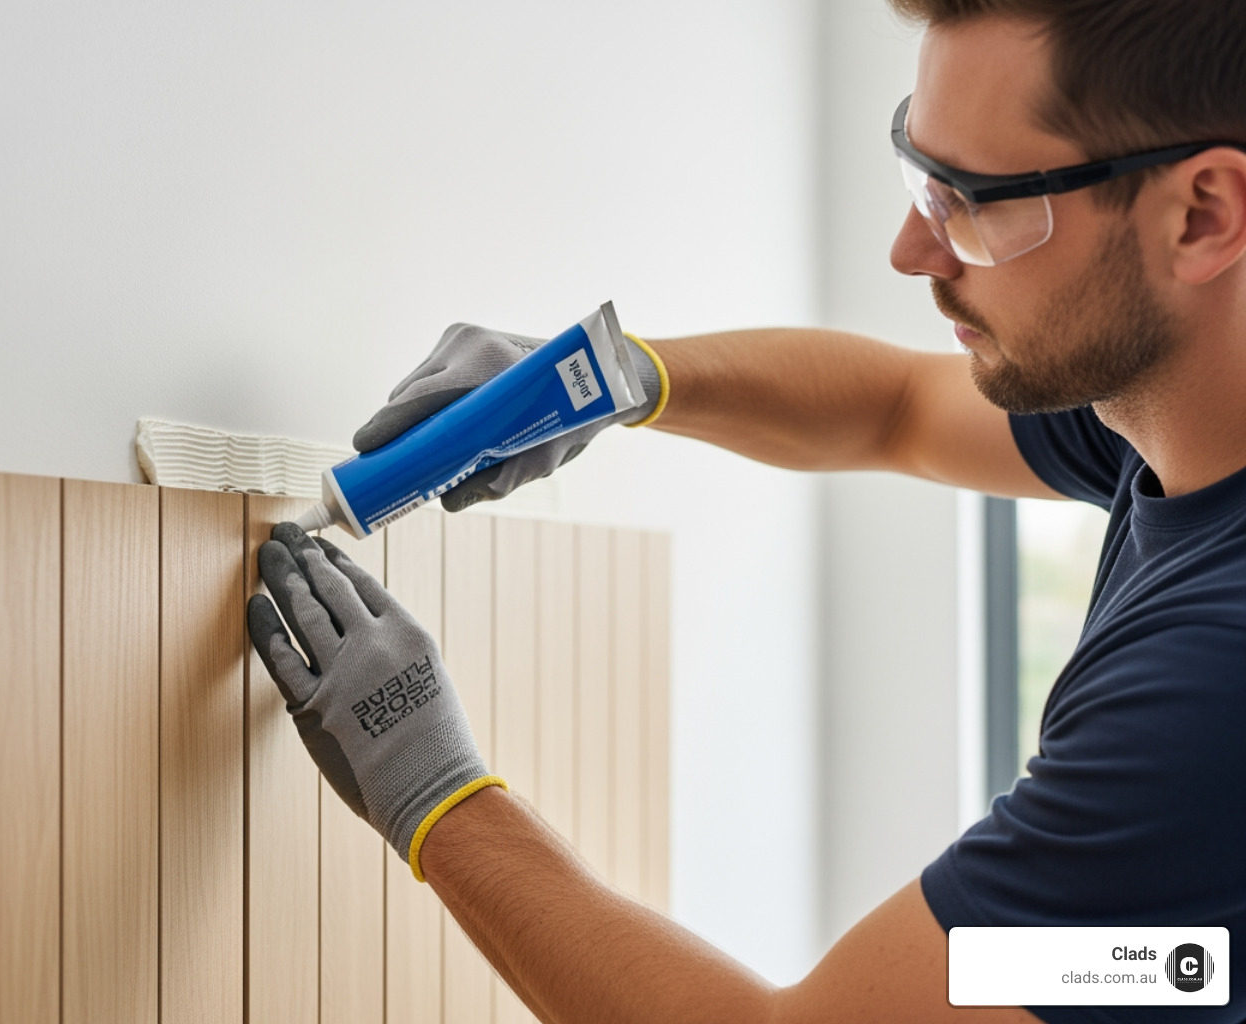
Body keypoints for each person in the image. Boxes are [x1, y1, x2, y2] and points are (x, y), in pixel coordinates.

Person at [246, 1, 1246, 1020]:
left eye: (977, 202)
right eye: (920, 172)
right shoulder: (1178, 419)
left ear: (1202, 213)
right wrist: (622, 379)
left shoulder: (1212, 683)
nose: (912, 248)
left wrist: (431, 790)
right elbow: (894, 409)